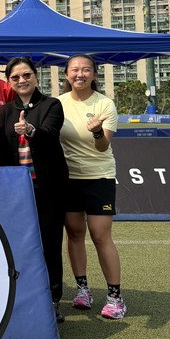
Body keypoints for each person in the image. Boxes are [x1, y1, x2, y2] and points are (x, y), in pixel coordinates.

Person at [0, 57, 69, 322]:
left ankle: (52, 299)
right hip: (17, 190)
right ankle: (20, 297)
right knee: (18, 244)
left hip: (47, 187)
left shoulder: (52, 104)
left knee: (50, 243)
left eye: (26, 75)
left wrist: (30, 129)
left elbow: (50, 134)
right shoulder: (6, 110)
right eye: (15, 77)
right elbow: (2, 149)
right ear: (9, 82)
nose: (22, 80)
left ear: (36, 76)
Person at [57, 54, 125, 320]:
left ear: (94, 75)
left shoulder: (104, 104)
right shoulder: (58, 103)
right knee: (74, 233)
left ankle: (115, 298)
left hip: (99, 177)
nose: (80, 74)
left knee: (99, 235)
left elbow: (102, 146)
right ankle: (83, 290)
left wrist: (97, 130)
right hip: (68, 178)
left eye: (86, 70)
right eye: (75, 70)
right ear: (67, 74)